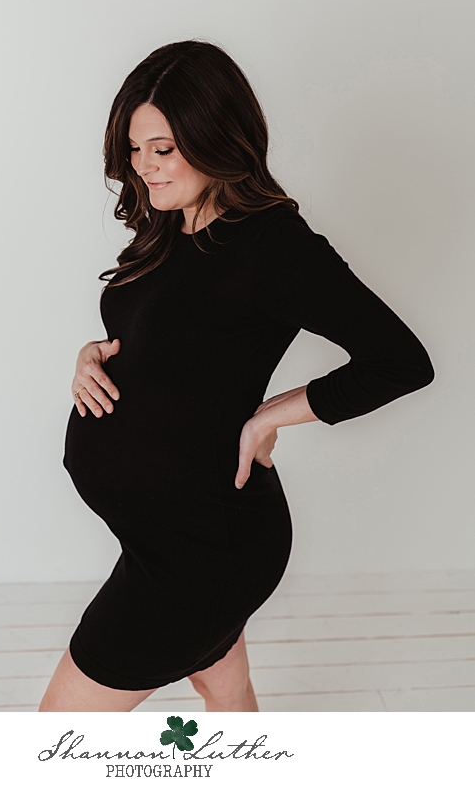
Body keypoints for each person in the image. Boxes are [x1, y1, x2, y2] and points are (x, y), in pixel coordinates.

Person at [39, 40, 434, 712]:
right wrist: (91, 356)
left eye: (162, 149)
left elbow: (400, 360)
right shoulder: (172, 224)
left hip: (206, 547)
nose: (142, 167)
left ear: (216, 136)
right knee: (224, 693)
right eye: (133, 149)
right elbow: (166, 336)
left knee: (55, 735)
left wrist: (275, 413)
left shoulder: (274, 246)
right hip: (162, 537)